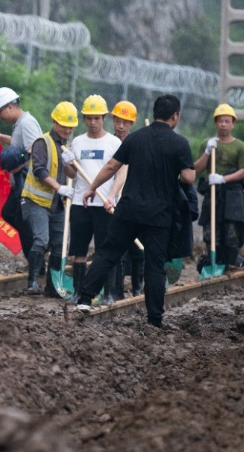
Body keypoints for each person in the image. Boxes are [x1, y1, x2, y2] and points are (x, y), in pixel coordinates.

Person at [74, 94, 195, 329]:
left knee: (108, 253)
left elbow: (112, 166)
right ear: (175, 116)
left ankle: (84, 299)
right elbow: (188, 177)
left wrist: (91, 188)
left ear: (154, 113)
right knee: (154, 266)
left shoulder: (135, 138)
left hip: (129, 211)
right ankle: (154, 320)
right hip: (159, 216)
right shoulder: (179, 143)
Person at [63, 95, 122, 301]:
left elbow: (121, 173)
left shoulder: (114, 143)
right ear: (84, 119)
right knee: (79, 251)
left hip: (105, 204)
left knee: (105, 250)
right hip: (81, 203)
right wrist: (67, 163)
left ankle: (108, 293)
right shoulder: (78, 142)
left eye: (97, 118)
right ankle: (78, 292)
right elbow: (72, 174)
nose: (93, 122)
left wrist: (112, 196)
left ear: (104, 118)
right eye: (89, 118)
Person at [20, 101, 77, 294]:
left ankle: (53, 287)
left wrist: (70, 164)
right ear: (54, 122)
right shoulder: (42, 143)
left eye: (70, 127)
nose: (67, 130)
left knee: (61, 244)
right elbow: (39, 170)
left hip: (57, 204)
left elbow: (72, 174)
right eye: (63, 125)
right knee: (42, 240)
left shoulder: (66, 147)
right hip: (35, 201)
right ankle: (33, 282)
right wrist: (58, 187)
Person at [193, 103, 244, 272]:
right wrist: (207, 152)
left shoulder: (240, 147)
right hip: (213, 195)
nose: (223, 124)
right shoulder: (207, 143)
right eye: (220, 121)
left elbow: (243, 170)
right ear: (215, 123)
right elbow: (197, 169)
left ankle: (230, 262)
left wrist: (223, 179)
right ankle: (213, 261)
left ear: (233, 124)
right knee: (210, 233)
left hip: (232, 196)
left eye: (227, 121)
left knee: (231, 233)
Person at [0, 86, 43, 272]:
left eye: (0, 111)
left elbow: (36, 148)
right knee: (9, 214)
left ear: (10, 106)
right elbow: (19, 143)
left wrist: (17, 167)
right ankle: (36, 256)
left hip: (27, 183)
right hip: (19, 184)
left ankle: (36, 263)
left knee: (22, 221)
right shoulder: (20, 124)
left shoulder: (27, 123)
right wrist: (1, 137)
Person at [108, 100, 143, 296]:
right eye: (118, 121)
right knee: (117, 247)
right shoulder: (107, 142)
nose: (121, 126)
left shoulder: (139, 143)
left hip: (135, 201)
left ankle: (138, 289)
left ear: (131, 124)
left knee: (137, 247)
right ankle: (117, 290)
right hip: (113, 202)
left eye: (125, 122)